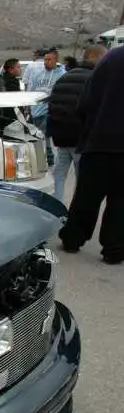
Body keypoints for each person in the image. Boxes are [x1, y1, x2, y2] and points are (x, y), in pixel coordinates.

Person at [58, 46, 124, 264]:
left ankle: (72, 239)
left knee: (87, 196)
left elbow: (84, 104)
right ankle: (114, 249)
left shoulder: (111, 59)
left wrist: (93, 127)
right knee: (120, 202)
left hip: (98, 142)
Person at [46, 44, 109, 202]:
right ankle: (76, 210)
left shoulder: (64, 77)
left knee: (59, 175)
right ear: (93, 57)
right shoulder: (94, 79)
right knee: (82, 180)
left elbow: (52, 105)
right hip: (81, 139)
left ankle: (56, 208)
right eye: (104, 58)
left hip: (61, 137)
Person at [25, 49, 66, 166]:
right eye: (45, 59)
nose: (46, 62)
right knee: (39, 134)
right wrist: (28, 106)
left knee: (44, 134)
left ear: (56, 60)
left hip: (50, 109)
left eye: (49, 60)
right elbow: (31, 89)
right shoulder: (38, 74)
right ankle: (46, 156)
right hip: (36, 109)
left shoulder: (62, 74)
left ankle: (47, 157)